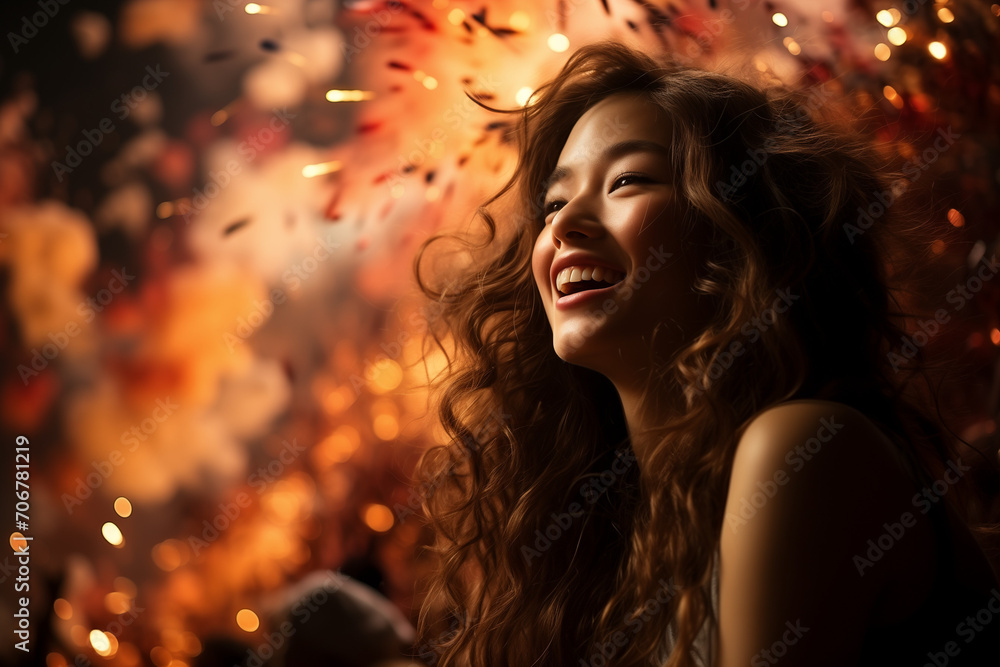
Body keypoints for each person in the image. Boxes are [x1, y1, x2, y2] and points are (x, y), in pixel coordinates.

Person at [409, 39, 1000, 666]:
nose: (563, 225)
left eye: (628, 180)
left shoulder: (805, 446)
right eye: (553, 202)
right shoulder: (622, 529)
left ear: (741, 235)